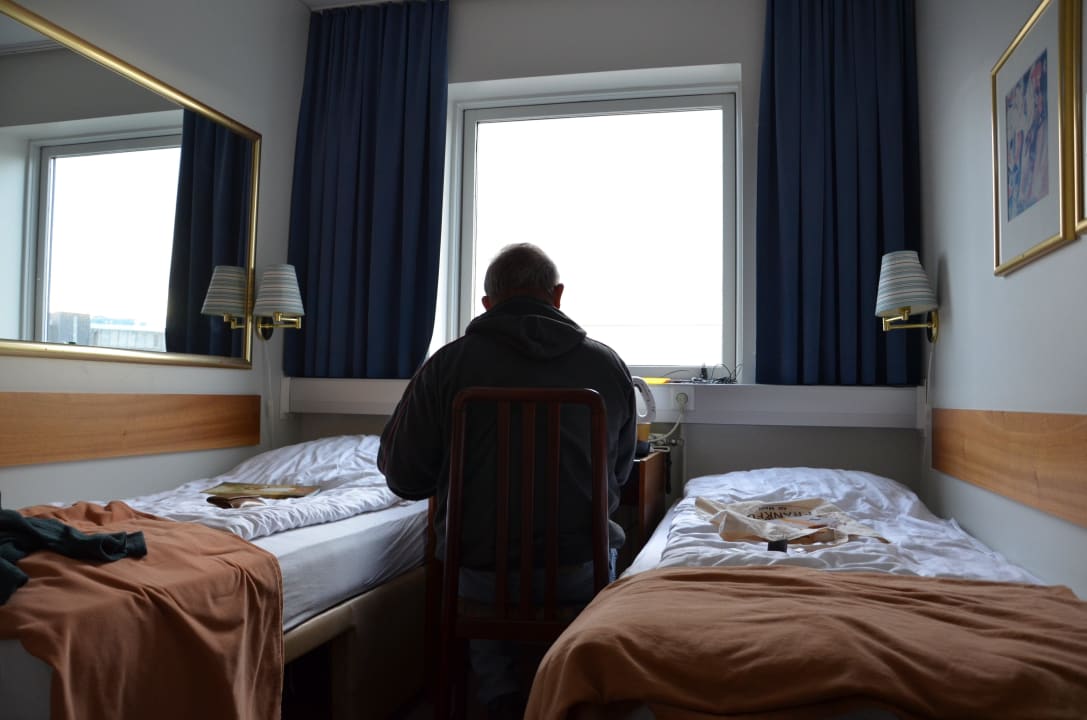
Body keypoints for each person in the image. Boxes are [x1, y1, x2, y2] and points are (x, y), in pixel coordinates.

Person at [378, 242, 636, 716]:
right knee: (601, 554)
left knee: (480, 576)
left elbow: (404, 478)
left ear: (487, 304)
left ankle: (497, 695)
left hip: (480, 574)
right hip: (578, 571)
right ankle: (569, 691)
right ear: (557, 295)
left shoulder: (447, 365)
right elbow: (617, 478)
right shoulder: (607, 365)